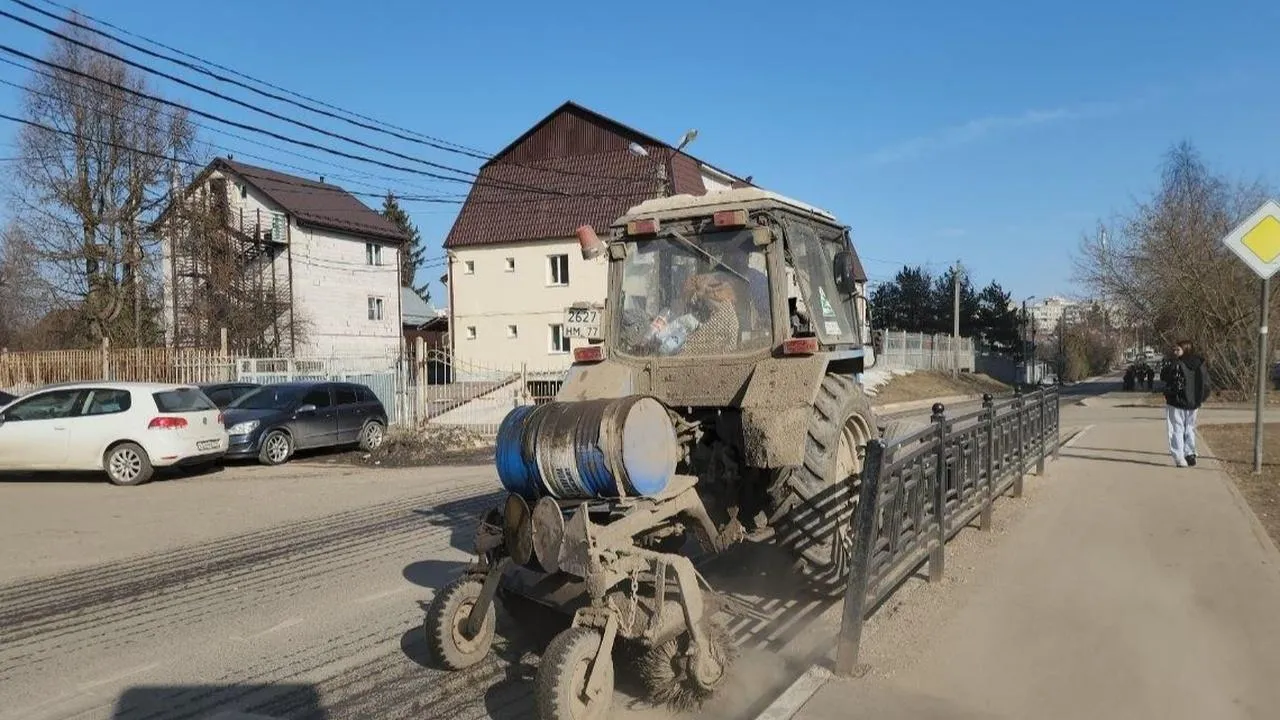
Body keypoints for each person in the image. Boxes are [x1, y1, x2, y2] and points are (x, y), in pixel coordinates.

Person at [1162, 340, 1211, 467]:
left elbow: (1166, 377)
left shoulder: (1177, 364)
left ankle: (1179, 457)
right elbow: (1206, 384)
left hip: (1176, 401)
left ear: (1185, 349)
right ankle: (1190, 453)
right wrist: (1201, 399)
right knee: (1189, 427)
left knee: (1176, 428)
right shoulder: (1200, 364)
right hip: (1193, 403)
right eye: (1174, 350)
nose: (1175, 352)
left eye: (1178, 350)